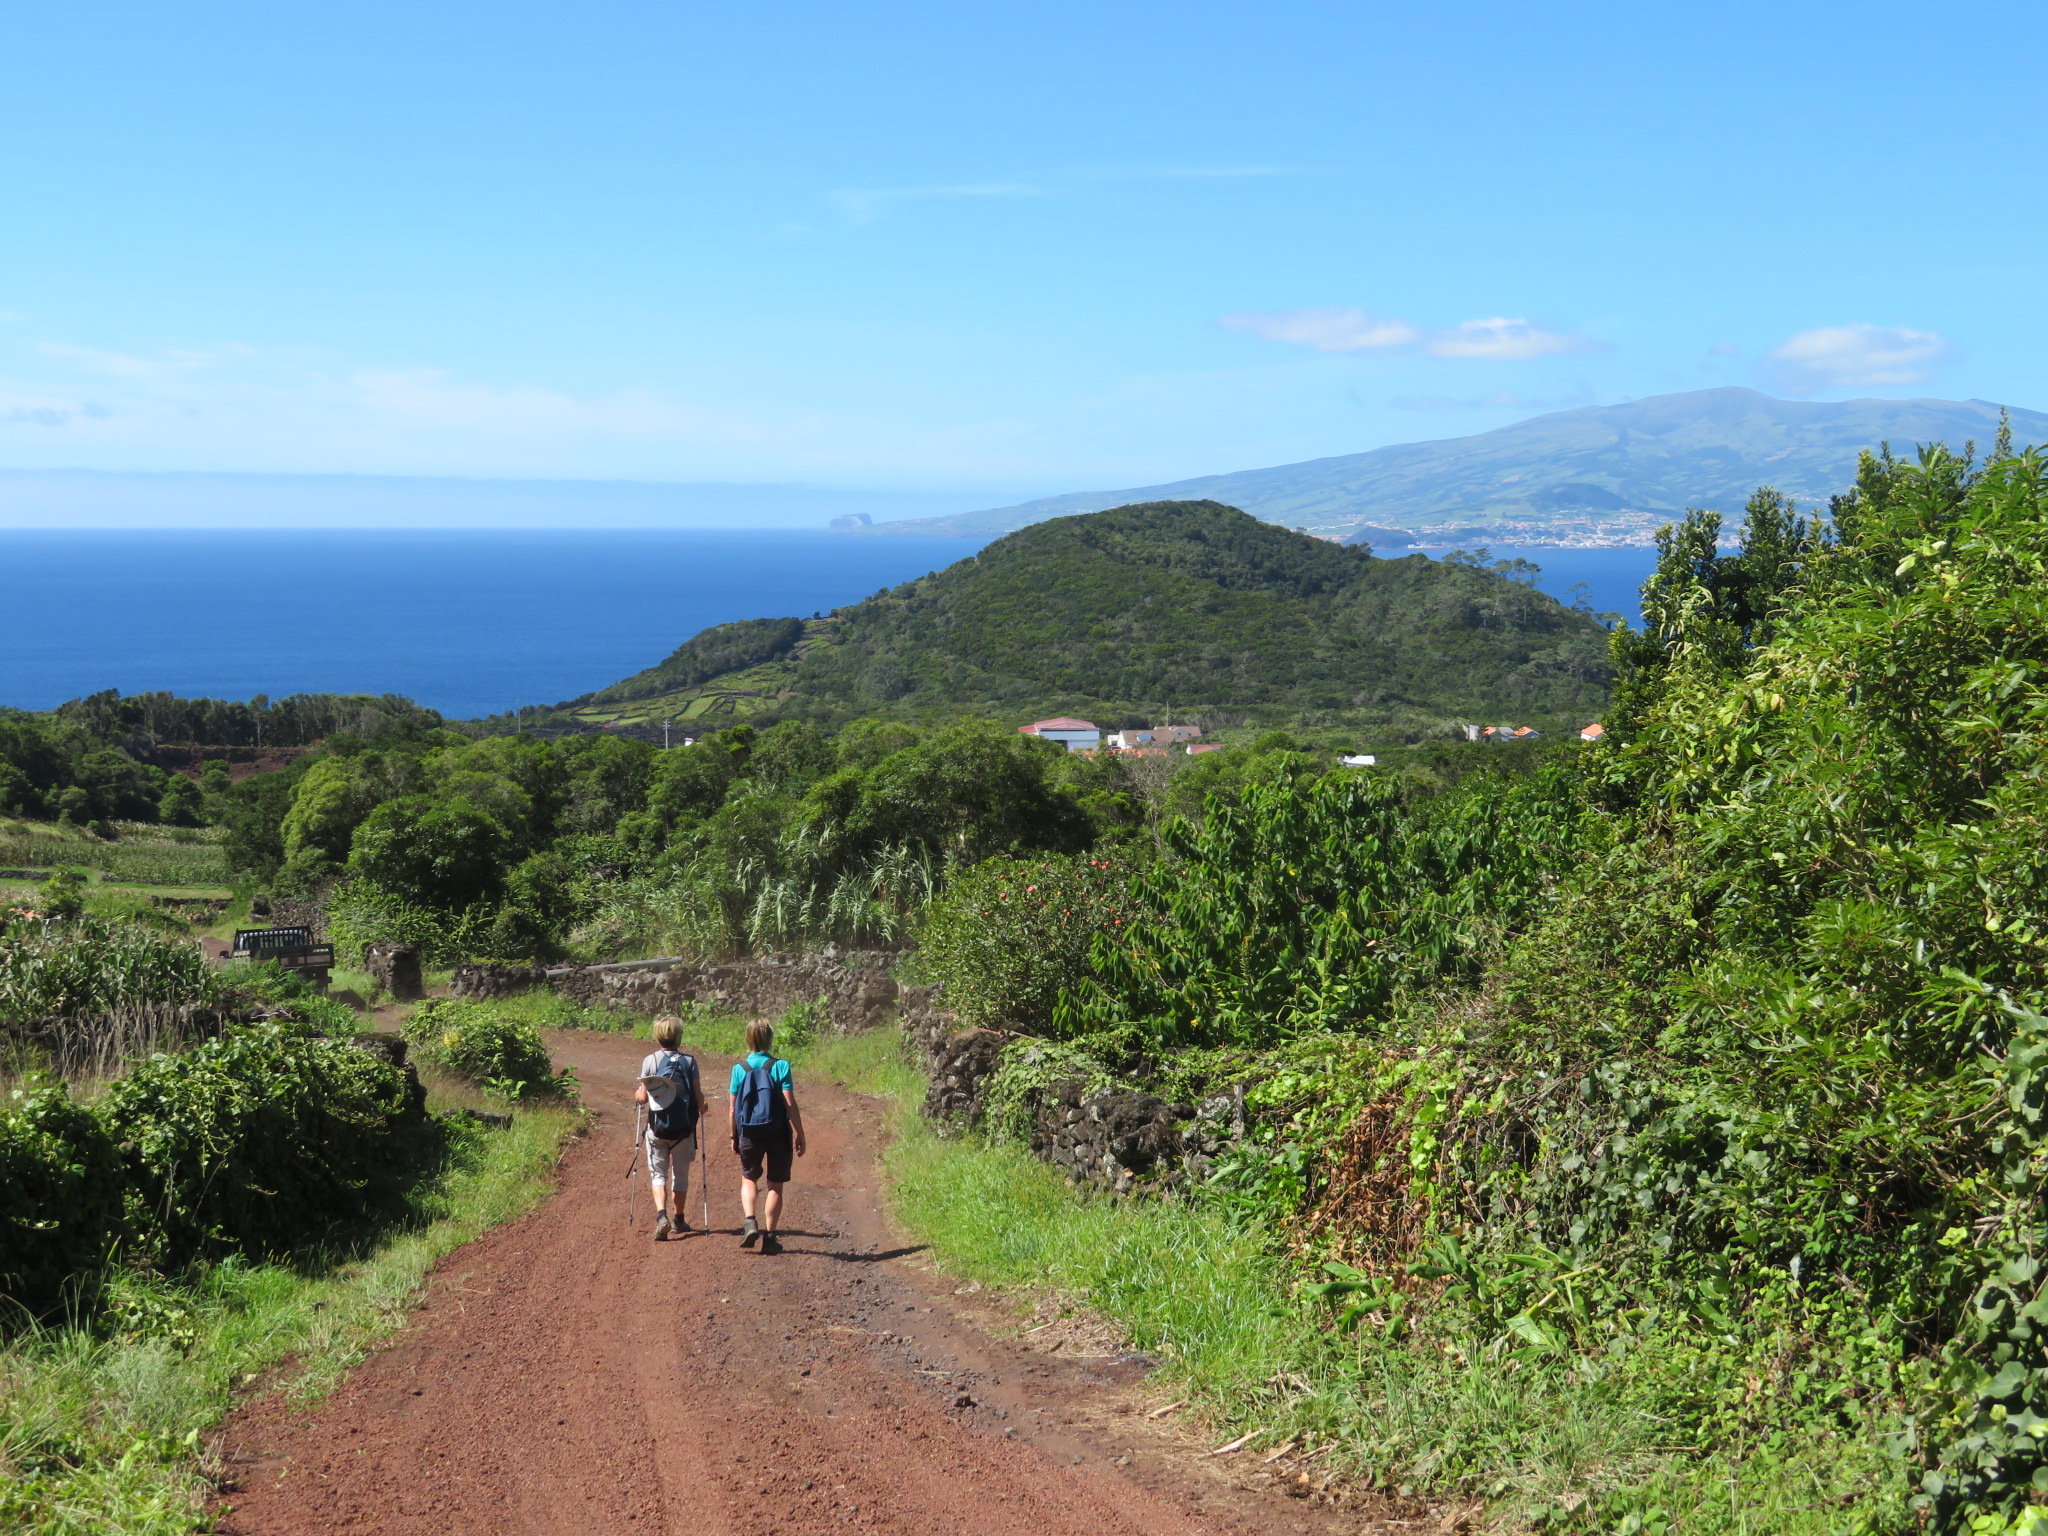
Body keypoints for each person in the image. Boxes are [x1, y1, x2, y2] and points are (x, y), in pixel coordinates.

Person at [729, 1018, 805, 1254]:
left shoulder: (740, 1069)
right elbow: (789, 1103)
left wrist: (734, 1135)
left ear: (748, 1038)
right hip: (777, 1132)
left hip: (749, 1132)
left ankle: (750, 1221)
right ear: (770, 1038)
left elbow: (732, 1109)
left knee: (749, 1178)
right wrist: (800, 1132)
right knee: (775, 1185)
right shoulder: (781, 1066)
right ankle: (770, 1238)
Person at [634, 1015, 702, 1241]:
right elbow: (698, 1098)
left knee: (658, 1174)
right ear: (679, 1036)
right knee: (680, 1174)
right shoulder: (690, 1062)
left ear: (657, 1036)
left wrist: (637, 1094)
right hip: (683, 1130)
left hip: (657, 1129)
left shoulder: (649, 1061)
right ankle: (679, 1219)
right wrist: (703, 1106)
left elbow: (643, 1099)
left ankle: (661, 1215)